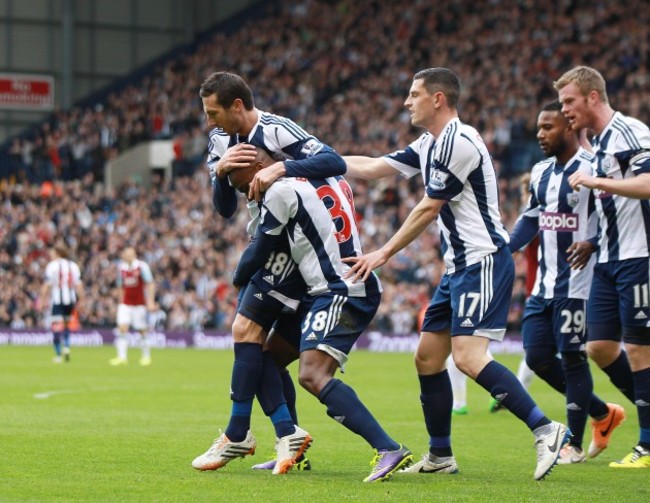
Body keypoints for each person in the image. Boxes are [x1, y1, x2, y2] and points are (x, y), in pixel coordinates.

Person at [344, 68, 569, 480]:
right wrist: (313, 161)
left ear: (438, 99)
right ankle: (441, 455)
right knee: (428, 358)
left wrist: (384, 252)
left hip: (482, 260)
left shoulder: (459, 142)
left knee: (467, 358)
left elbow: (429, 208)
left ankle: (546, 429)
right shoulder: (430, 142)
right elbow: (375, 166)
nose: (406, 102)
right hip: (459, 267)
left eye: (414, 94)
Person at [191, 71, 347, 475]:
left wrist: (281, 169)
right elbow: (224, 208)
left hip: (290, 248)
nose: (210, 122)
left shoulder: (276, 130)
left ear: (237, 106)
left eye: (214, 113)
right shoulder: (219, 141)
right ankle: (286, 437)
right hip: (266, 239)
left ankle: (239, 434)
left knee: (245, 333)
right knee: (261, 354)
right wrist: (222, 172)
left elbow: (335, 160)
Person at [228, 148, 413, 482]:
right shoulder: (331, 178)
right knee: (266, 361)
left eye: (246, 186)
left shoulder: (283, 190)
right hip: (329, 287)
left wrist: (239, 283)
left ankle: (388, 447)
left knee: (312, 375)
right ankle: (292, 448)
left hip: (341, 288)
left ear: (262, 165)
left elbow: (259, 249)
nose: (249, 191)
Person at [508, 100, 625, 464]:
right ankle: (602, 412)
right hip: (542, 284)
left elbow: (617, 221)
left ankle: (572, 442)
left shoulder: (594, 170)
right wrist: (504, 250)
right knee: (538, 355)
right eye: (539, 128)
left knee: (573, 357)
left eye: (548, 127)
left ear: (571, 128)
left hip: (579, 284)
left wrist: (592, 242)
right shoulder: (541, 171)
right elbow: (531, 218)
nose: (540, 134)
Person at [557, 65, 650, 468]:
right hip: (608, 260)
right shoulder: (595, 143)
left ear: (593, 97)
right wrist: (591, 241)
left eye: (569, 102)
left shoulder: (631, 132)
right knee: (598, 346)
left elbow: (647, 184)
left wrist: (596, 182)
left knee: (639, 349)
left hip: (639, 256)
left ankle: (646, 444)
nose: (565, 111)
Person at [109, 247, 155, 366]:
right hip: (126, 303)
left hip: (139, 304)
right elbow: (120, 286)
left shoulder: (142, 267)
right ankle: (122, 357)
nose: (127, 256)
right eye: (125, 254)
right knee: (122, 328)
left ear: (134, 255)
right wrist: (120, 301)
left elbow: (150, 284)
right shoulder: (121, 268)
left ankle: (146, 356)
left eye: (129, 254)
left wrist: (150, 301)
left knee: (142, 330)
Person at [41, 242, 83, 363]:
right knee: (66, 325)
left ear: (58, 253)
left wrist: (42, 300)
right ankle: (67, 347)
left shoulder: (52, 266)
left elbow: (46, 285)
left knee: (56, 326)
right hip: (70, 300)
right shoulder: (73, 266)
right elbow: (79, 285)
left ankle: (58, 355)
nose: (50, 254)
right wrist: (82, 301)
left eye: (52, 252)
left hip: (57, 300)